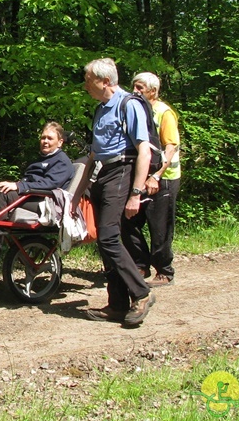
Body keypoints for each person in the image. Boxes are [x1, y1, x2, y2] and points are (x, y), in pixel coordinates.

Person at [71, 58, 155, 326]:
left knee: (108, 237)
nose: (85, 86)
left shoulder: (128, 104)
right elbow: (94, 155)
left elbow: (144, 150)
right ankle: (117, 305)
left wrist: (136, 193)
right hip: (103, 174)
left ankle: (141, 293)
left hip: (122, 170)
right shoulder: (100, 110)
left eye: (88, 80)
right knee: (106, 242)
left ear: (105, 81)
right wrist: (75, 197)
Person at [0, 122, 75, 260]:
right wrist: (19, 185)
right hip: (30, 194)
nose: (45, 141)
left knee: (0, 194)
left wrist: (19, 187)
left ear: (60, 142)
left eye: (50, 138)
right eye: (43, 138)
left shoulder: (62, 161)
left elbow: (49, 184)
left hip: (45, 201)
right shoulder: (40, 158)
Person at [122, 72, 180, 287]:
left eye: (140, 88)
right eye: (133, 87)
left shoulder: (163, 112)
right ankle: (140, 264)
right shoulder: (132, 108)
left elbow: (171, 147)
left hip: (163, 178)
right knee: (128, 220)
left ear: (153, 91)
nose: (135, 91)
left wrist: (156, 176)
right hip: (138, 176)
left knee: (160, 226)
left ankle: (164, 271)